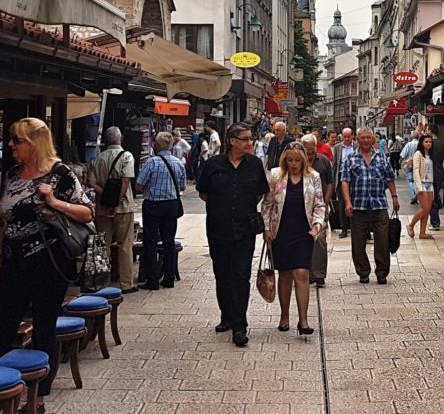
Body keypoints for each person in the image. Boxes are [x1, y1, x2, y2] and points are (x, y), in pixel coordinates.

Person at [0, 117, 93, 408]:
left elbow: (86, 213)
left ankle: (38, 396)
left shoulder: (60, 174)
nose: (10, 145)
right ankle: (3, 389)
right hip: (12, 261)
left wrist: (55, 202)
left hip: (48, 262)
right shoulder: (11, 174)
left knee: (44, 325)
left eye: (16, 140)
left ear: (34, 144)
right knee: (3, 325)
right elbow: (0, 223)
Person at [198, 122, 269, 347]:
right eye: (246, 139)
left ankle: (240, 325)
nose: (250, 143)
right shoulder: (213, 165)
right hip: (218, 229)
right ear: (232, 141)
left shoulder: (255, 165)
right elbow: (204, 193)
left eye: (251, 139)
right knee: (222, 275)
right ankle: (226, 315)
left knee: (240, 276)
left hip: (244, 229)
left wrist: (244, 208)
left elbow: (260, 193)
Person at [262, 145, 327, 335]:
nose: (293, 164)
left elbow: (319, 204)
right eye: (290, 160)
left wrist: (317, 224)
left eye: (297, 160)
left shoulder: (313, 177)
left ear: (303, 161)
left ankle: (304, 320)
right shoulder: (276, 176)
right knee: (285, 275)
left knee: (302, 273)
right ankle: (284, 316)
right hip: (280, 231)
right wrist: (267, 228)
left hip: (303, 231)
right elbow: (267, 205)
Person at [340, 127, 399, 284]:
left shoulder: (381, 157)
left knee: (382, 240)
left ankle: (382, 272)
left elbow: (390, 178)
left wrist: (394, 197)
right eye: (363, 138)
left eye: (368, 137)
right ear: (357, 140)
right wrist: (347, 202)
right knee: (358, 242)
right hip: (358, 206)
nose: (366, 140)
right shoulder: (350, 158)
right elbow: (345, 182)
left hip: (379, 205)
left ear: (373, 140)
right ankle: (363, 272)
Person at [137, 132, 186, 290]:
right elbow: (183, 186)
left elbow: (139, 184)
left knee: (150, 241)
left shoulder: (151, 162)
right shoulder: (178, 163)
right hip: (171, 204)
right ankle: (169, 277)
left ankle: (152, 279)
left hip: (153, 204)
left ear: (156, 145)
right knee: (169, 241)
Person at [89, 126, 137, 293]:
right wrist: (117, 199)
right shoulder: (127, 156)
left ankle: (102, 282)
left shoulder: (98, 158)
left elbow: (92, 182)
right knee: (125, 244)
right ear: (120, 139)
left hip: (102, 207)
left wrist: (106, 195)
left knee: (103, 245)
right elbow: (125, 181)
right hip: (123, 208)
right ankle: (126, 283)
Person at [302, 135, 334, 287]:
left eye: (312, 148)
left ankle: (319, 274)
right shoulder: (297, 161)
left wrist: (326, 202)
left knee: (320, 239)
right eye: (307, 148)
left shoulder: (323, 161)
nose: (310, 152)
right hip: (301, 207)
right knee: (304, 239)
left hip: (320, 206)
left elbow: (330, 183)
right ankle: (306, 273)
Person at [406, 134, 435, 240]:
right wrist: (419, 185)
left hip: (430, 183)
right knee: (425, 208)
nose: (428, 144)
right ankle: (411, 225)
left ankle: (422, 232)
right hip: (422, 183)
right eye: (426, 141)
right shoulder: (418, 154)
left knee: (427, 210)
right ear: (422, 143)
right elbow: (416, 170)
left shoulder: (431, 155)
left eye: (430, 142)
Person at [332, 128, 355, 238]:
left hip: (354, 177)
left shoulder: (357, 146)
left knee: (355, 203)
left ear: (352, 136)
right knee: (341, 204)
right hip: (341, 177)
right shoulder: (337, 148)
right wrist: (333, 181)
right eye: (344, 136)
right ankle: (344, 228)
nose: (346, 139)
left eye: (348, 136)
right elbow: (335, 165)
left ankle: (356, 227)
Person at [429, 135, 444, 231]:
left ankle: (435, 222)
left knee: (432, 199)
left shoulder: (427, 145)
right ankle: (434, 221)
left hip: (429, 175)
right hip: (439, 173)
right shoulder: (443, 144)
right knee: (435, 195)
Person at [399, 130, 419, 205]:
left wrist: (400, 161)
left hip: (409, 164)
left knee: (410, 180)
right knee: (416, 180)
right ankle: (416, 194)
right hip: (418, 164)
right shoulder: (420, 144)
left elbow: (403, 155)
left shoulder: (409, 144)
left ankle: (413, 195)